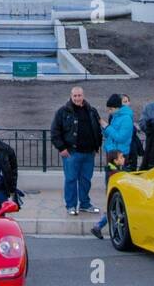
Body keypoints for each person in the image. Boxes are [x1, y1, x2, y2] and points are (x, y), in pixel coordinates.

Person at [50, 86, 102, 217]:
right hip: (72, 153)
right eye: (75, 96)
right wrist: (61, 148)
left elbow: (97, 129)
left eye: (80, 95)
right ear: (71, 96)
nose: (78, 98)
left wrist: (97, 146)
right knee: (71, 179)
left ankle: (85, 204)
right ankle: (71, 205)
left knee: (86, 180)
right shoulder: (62, 112)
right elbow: (55, 131)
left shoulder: (92, 111)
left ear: (83, 95)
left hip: (89, 153)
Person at [90, 147, 128, 239]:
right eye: (121, 157)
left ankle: (98, 227)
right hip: (113, 194)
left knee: (110, 212)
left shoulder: (114, 169)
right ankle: (98, 227)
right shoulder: (114, 172)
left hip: (112, 194)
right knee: (111, 212)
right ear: (115, 160)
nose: (124, 159)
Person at [102, 94, 134, 170]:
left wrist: (107, 127)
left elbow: (121, 138)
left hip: (120, 154)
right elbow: (110, 135)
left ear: (117, 107)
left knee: (117, 178)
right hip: (112, 152)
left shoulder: (126, 118)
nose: (109, 111)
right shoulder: (115, 116)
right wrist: (104, 128)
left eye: (111, 109)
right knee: (110, 176)